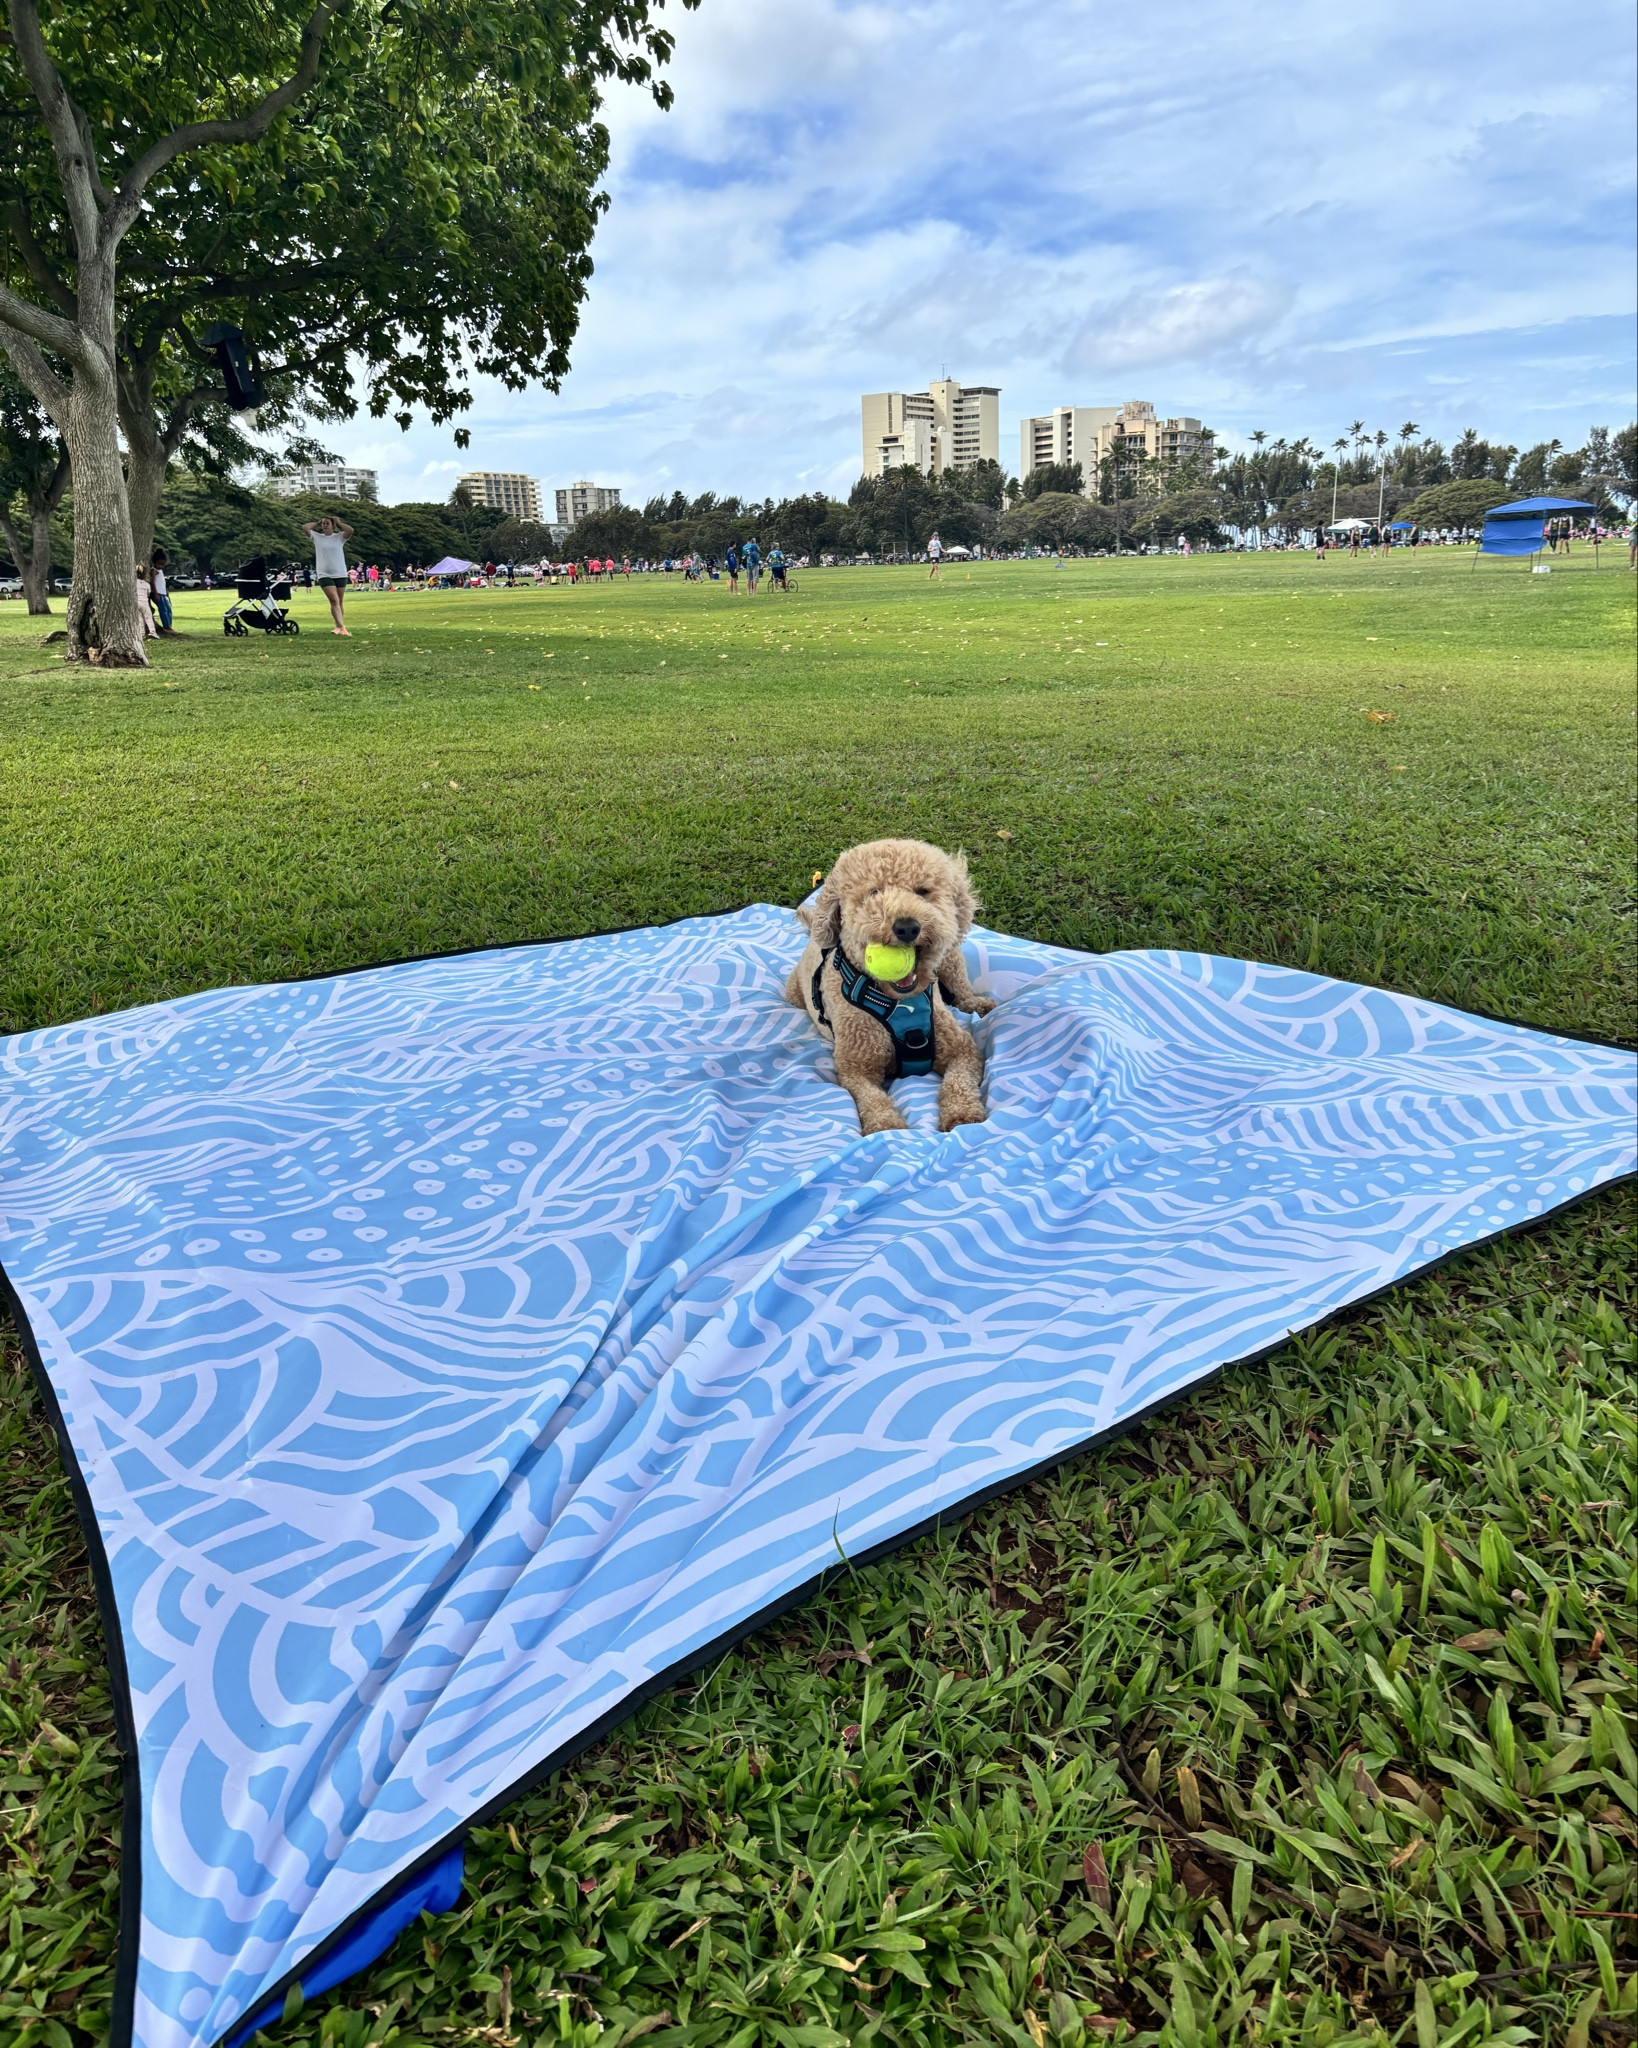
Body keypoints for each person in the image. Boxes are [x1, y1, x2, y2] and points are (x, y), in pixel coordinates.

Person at [301, 514, 354, 633]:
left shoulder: (339, 537)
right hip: (324, 574)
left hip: (340, 573)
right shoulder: (317, 537)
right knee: (334, 600)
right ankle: (342, 627)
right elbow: (305, 527)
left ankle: (338, 626)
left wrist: (339, 523)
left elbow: (350, 530)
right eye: (323, 523)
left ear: (333, 526)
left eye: (327, 523)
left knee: (339, 601)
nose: (325, 525)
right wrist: (317, 522)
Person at [149, 548, 175, 632]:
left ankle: (169, 625)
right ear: (155, 562)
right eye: (159, 564)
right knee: (163, 610)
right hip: (157, 593)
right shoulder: (154, 571)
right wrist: (155, 594)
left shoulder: (160, 571)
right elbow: (152, 583)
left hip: (163, 593)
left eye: (163, 564)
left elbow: (161, 583)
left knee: (168, 609)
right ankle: (166, 626)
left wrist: (166, 591)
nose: (161, 566)